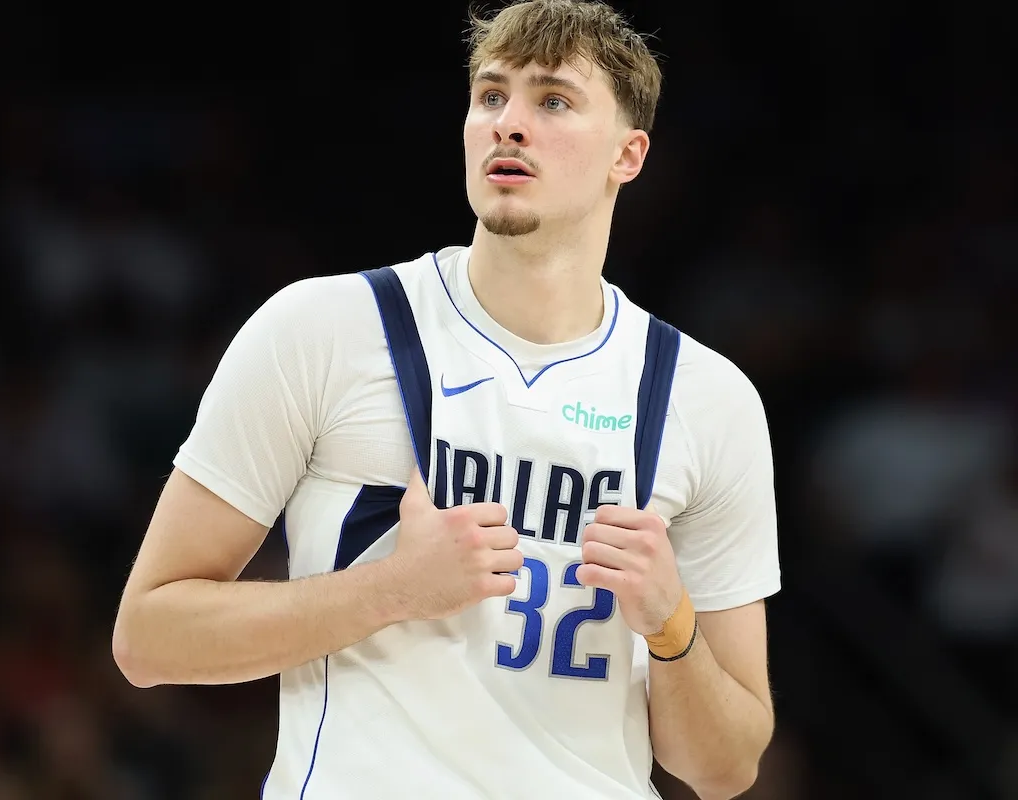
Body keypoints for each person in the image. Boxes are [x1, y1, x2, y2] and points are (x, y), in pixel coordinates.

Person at [112, 1, 780, 798]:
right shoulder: (324, 328)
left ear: (627, 156)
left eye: (553, 101)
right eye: (491, 96)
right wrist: (393, 589)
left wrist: (674, 630)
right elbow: (148, 638)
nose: (509, 125)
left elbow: (728, 767)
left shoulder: (709, 400)